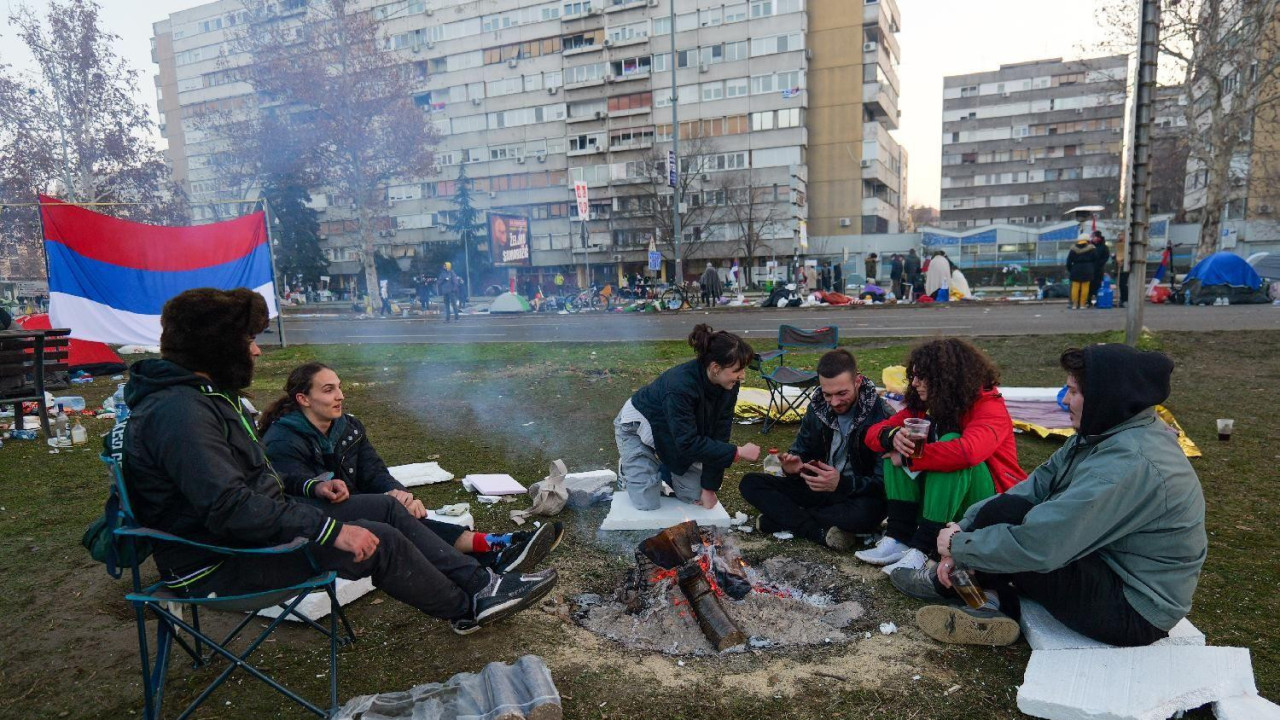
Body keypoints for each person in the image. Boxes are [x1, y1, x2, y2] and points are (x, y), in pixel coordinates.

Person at [119, 288, 556, 636]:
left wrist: (310, 491)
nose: (256, 352)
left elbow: (252, 488)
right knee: (378, 539)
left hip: (253, 532)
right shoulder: (180, 413)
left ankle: (486, 585)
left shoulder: (200, 401)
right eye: (249, 340)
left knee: (386, 507)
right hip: (219, 559)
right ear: (216, 346)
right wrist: (328, 528)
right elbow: (231, 507)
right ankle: (468, 608)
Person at [914, 345, 1206, 647]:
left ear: (1106, 398)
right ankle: (986, 599)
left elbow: (1042, 545)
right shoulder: (1104, 434)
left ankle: (970, 594)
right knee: (1007, 509)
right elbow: (1034, 487)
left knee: (1019, 531)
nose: (1065, 402)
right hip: (1105, 560)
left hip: (1134, 609)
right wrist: (964, 530)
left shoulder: (1128, 463)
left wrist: (959, 547)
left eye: (1073, 392)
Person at [260, 362, 563, 574]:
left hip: (359, 508)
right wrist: (380, 501)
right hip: (320, 525)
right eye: (328, 390)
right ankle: (493, 551)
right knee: (393, 518)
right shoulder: (284, 437)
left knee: (400, 511)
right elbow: (292, 489)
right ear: (304, 399)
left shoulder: (347, 427)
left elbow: (374, 471)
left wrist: (399, 492)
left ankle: (496, 548)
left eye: (339, 387)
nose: (340, 396)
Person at [857, 338, 1027, 586]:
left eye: (921, 376)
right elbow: (872, 434)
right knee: (898, 445)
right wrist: (891, 437)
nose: (914, 383)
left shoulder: (989, 406)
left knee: (948, 447)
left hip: (989, 502)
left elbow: (968, 452)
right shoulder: (927, 405)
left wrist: (908, 457)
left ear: (945, 379)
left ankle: (925, 549)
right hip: (944, 499)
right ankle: (898, 538)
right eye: (913, 376)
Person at [740, 349, 891, 550]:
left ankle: (781, 519)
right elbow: (801, 450)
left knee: (867, 514)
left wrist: (841, 484)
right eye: (828, 394)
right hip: (817, 488)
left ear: (858, 381)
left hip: (855, 495)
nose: (834, 402)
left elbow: (883, 483)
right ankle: (816, 530)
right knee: (750, 483)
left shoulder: (883, 415)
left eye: (842, 393)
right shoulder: (818, 406)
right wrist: (792, 468)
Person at [614, 324, 760, 511]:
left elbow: (720, 434)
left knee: (693, 496)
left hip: (674, 434)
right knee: (646, 503)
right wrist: (736, 452)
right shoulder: (679, 386)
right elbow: (688, 443)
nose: (743, 376)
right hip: (638, 427)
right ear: (715, 367)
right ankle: (629, 470)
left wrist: (709, 487)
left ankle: (663, 466)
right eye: (738, 370)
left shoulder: (729, 384)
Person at [1066, 237, 1098, 310]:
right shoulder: (1092, 248)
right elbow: (1096, 260)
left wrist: (1071, 270)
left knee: (1075, 287)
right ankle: (1082, 304)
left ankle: (1074, 304)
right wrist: (1092, 268)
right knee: (1085, 287)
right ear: (1087, 240)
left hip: (1076, 268)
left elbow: (1068, 262)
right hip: (1088, 269)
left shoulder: (1073, 249)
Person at [1089, 230, 1111, 307]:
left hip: (1098, 269)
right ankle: (1089, 301)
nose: (1093, 238)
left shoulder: (1104, 247)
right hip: (1090, 269)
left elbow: (1105, 257)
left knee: (1097, 286)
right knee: (1090, 287)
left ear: (1098, 237)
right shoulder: (1090, 245)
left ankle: (1096, 301)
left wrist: (1099, 264)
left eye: (1094, 236)